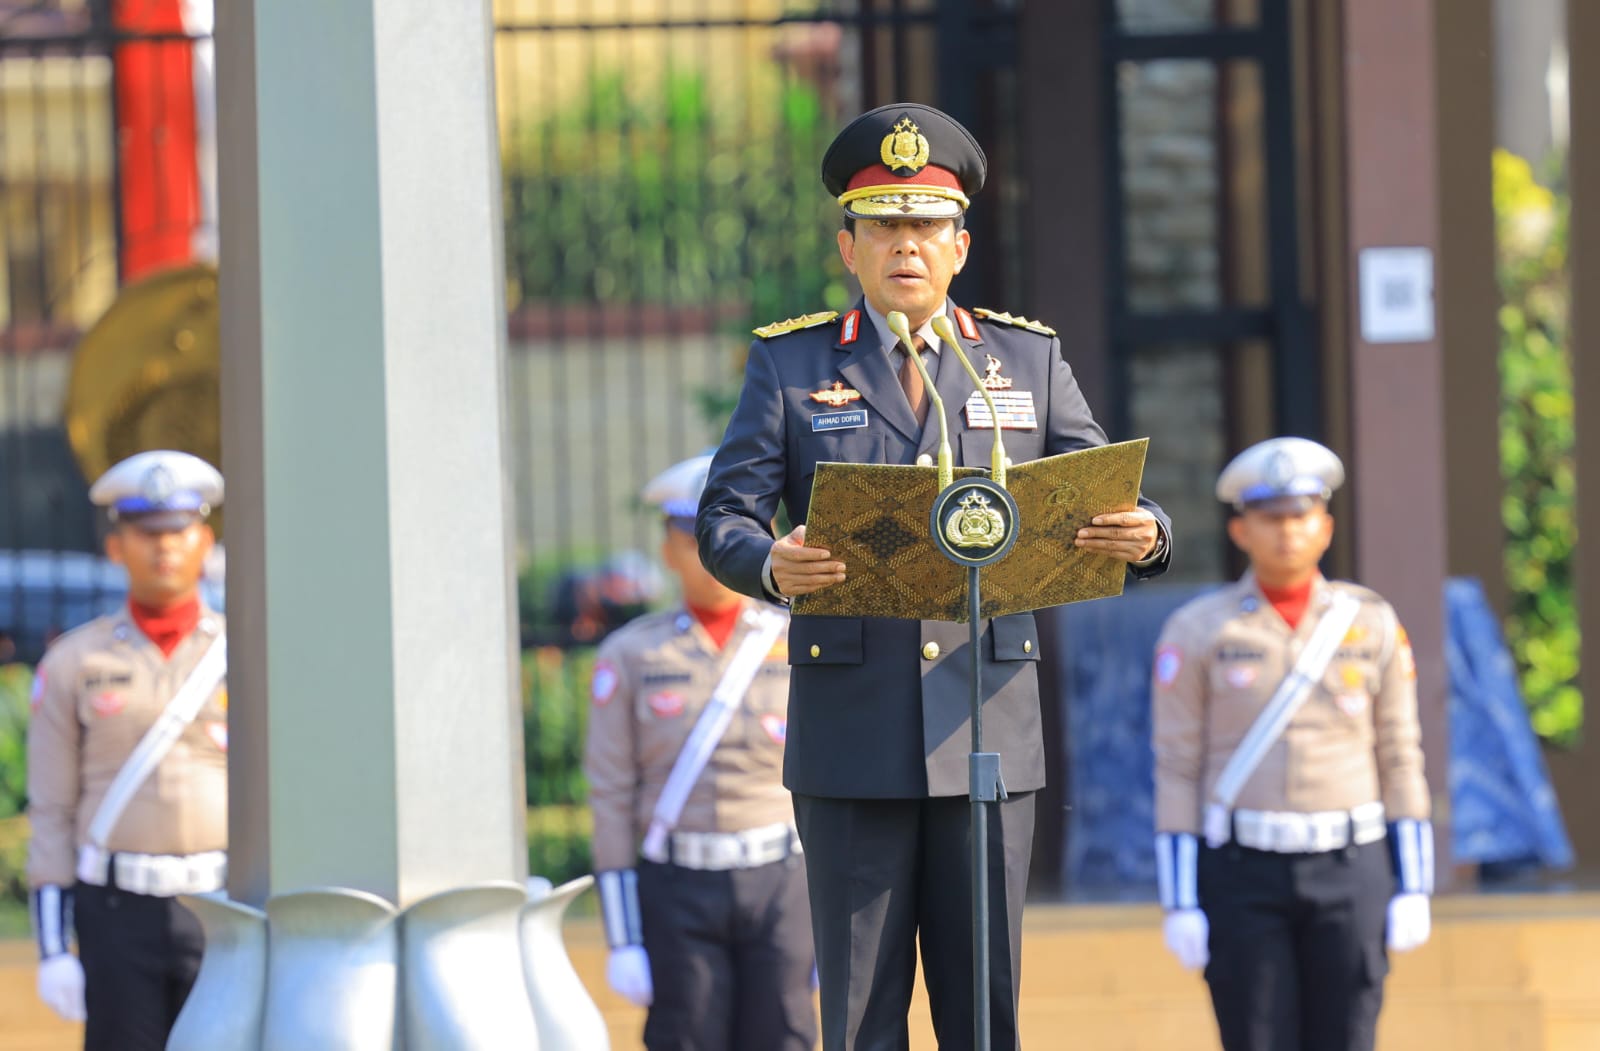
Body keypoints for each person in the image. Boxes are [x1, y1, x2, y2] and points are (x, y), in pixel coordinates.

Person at [696, 101, 1173, 1050]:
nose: (905, 247)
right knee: (863, 1012)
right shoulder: (790, 367)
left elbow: (1104, 484)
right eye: (884, 227)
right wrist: (770, 563)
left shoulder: (1024, 359)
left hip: (985, 720)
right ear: (849, 246)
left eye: (925, 227)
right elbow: (724, 519)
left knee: (983, 1007)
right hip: (853, 731)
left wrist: (1148, 532)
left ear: (959, 246)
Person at [1150, 437, 1433, 1051]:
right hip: (1244, 865)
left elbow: (1400, 751)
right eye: (1270, 517)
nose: (1287, 532)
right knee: (1255, 1036)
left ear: (1325, 527)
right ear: (1240, 530)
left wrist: (1414, 883)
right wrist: (1179, 900)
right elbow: (1177, 766)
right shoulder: (1200, 628)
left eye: (1300, 515)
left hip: (1350, 861)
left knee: (1348, 1035)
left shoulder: (1372, 621)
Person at [585, 453, 817, 1051]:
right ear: (668, 548)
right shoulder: (631, 655)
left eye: (728, 535)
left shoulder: (798, 638)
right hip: (679, 882)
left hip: (781, 879)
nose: (710, 554)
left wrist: (835, 920)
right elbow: (610, 794)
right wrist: (623, 936)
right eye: (693, 537)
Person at [26, 450, 228, 1050]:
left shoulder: (246, 652)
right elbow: (52, 809)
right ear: (117, 548)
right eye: (146, 533)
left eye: (178, 531)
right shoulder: (76, 662)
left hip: (223, 910)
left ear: (205, 540)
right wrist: (52, 949)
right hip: (116, 912)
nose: (164, 548)